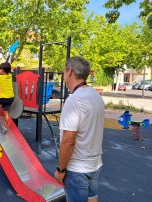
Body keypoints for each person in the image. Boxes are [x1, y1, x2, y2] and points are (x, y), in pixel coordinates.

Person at [54, 56, 104, 202]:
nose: (63, 76)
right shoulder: (95, 96)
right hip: (94, 164)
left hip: (77, 169)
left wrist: (60, 170)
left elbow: (68, 141)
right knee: (92, 198)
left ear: (69, 72)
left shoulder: (74, 100)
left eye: (64, 72)